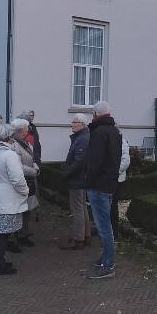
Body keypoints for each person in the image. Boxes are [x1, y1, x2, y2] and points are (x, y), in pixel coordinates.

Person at [0, 122, 29, 275]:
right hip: (7, 200)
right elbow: (17, 179)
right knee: (3, 235)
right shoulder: (9, 155)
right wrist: (25, 191)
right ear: (9, 138)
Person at [85, 101, 122, 279]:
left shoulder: (99, 133)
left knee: (104, 226)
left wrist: (88, 180)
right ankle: (106, 257)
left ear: (96, 114)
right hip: (110, 183)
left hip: (99, 185)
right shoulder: (115, 131)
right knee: (106, 224)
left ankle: (108, 265)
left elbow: (95, 161)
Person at [60, 113, 91, 250]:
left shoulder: (82, 139)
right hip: (80, 178)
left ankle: (79, 239)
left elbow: (79, 161)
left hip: (77, 179)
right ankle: (85, 235)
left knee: (77, 208)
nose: (72, 124)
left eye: (75, 122)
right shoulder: (81, 137)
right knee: (82, 206)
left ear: (82, 124)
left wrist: (66, 172)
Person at [10, 117, 40, 247]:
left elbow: (32, 158)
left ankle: (23, 234)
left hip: (29, 181)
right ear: (21, 130)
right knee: (18, 210)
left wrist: (35, 166)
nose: (28, 130)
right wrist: (34, 171)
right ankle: (14, 237)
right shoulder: (14, 145)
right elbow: (17, 166)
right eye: (27, 128)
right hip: (21, 182)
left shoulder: (26, 143)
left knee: (27, 209)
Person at [111, 135, 130, 241]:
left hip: (116, 180)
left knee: (113, 207)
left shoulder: (121, 142)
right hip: (107, 179)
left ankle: (114, 233)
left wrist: (113, 173)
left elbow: (125, 161)